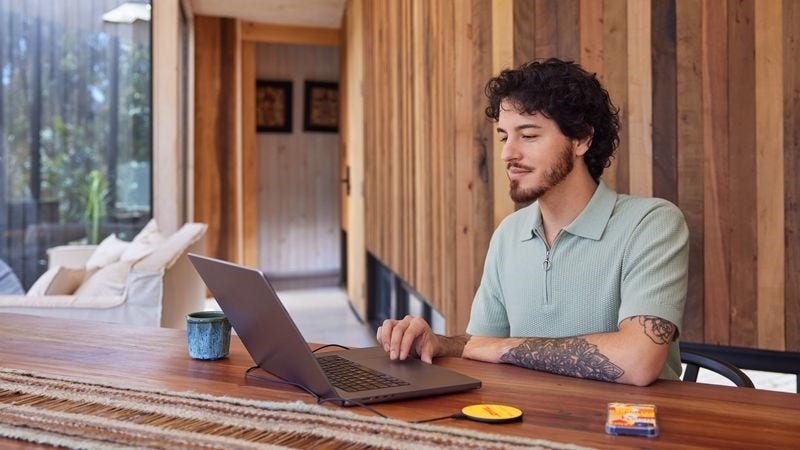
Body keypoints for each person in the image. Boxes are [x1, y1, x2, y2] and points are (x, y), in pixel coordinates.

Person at [376, 58, 689, 386]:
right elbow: (480, 343)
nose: (507, 154)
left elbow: (637, 361)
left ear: (581, 139)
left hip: (630, 429)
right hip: (524, 421)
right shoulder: (509, 233)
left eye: (527, 135)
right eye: (504, 137)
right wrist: (438, 344)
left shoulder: (652, 225)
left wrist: (502, 348)